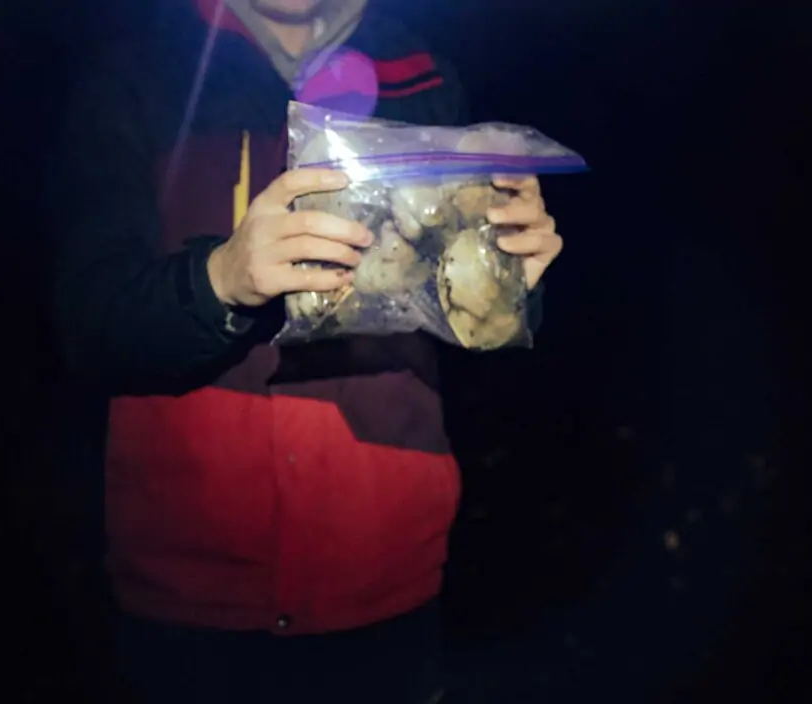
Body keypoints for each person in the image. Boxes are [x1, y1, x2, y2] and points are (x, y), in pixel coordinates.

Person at [48, 0, 563, 702]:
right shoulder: (140, 72)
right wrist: (221, 280)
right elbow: (89, 325)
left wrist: (511, 281)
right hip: (186, 601)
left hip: (386, 587)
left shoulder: (423, 79)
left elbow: (475, 333)